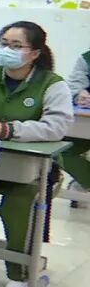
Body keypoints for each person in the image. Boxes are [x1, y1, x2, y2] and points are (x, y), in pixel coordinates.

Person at [0, 21, 74, 287]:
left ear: (35, 53)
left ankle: (20, 272)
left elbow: (56, 127)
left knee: (16, 207)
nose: (7, 50)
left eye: (16, 46)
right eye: (3, 44)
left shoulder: (53, 85)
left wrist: (8, 130)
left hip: (34, 172)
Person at [59, 48, 90, 195]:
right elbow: (73, 85)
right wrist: (78, 94)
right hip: (85, 123)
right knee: (62, 150)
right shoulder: (87, 58)